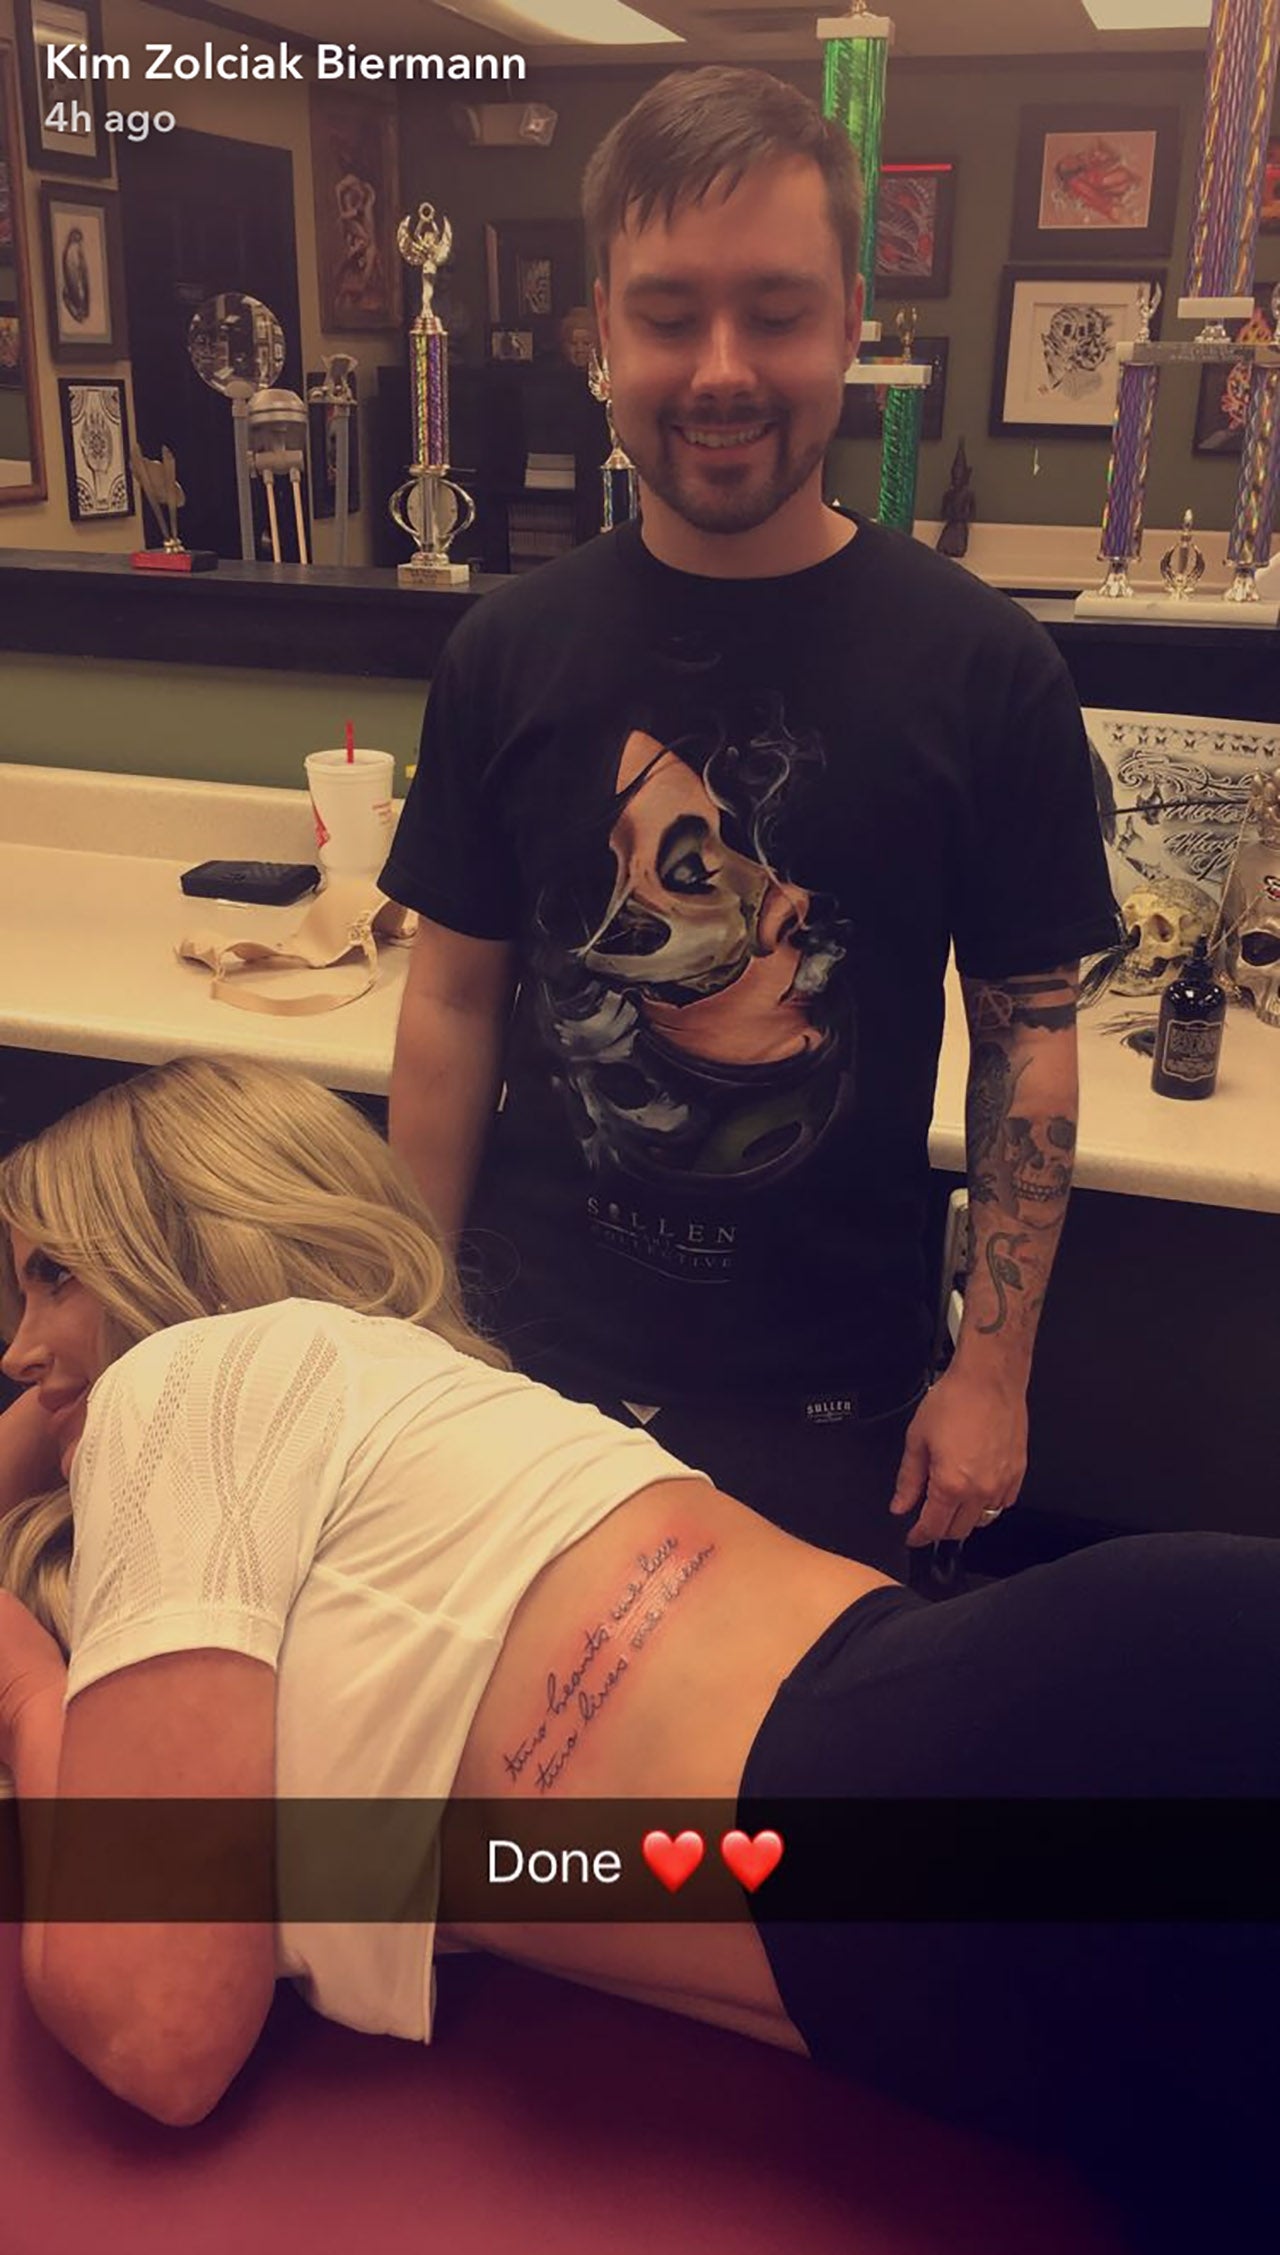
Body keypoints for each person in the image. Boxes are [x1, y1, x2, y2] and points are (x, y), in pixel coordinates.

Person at [0, 1055, 1275, 2255]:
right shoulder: (381, 1413)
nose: (16, 1352)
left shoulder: (196, 1378)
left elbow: (158, 2025)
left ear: (176, 1241)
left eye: (53, 1275)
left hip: (1085, 1774)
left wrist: (22, 1687)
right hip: (1011, 1953)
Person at [381, 66, 1122, 1580]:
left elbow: (1028, 1037)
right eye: (669, 315)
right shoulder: (505, 652)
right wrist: (410, 1323)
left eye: (774, 313)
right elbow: (451, 1006)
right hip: (523, 1376)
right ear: (602, 330)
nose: (721, 369)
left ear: (851, 322)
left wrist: (994, 1373)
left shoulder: (984, 667)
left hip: (839, 1401)